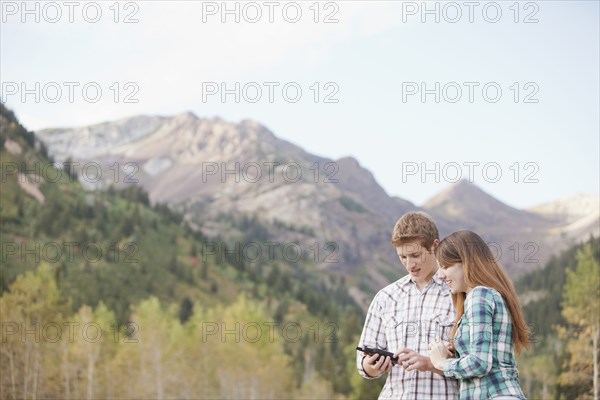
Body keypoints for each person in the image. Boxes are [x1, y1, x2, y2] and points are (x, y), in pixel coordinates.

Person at [356, 211, 458, 399]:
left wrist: (430, 363)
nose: (409, 264)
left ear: (435, 246)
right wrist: (371, 366)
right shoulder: (385, 297)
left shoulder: (458, 293)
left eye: (415, 255)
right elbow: (362, 365)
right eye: (402, 257)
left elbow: (475, 363)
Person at [429, 230, 530, 400]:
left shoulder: (478, 296)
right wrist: (457, 353)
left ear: (466, 262)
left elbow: (480, 363)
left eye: (446, 266)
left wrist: (441, 362)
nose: (440, 274)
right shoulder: (489, 295)